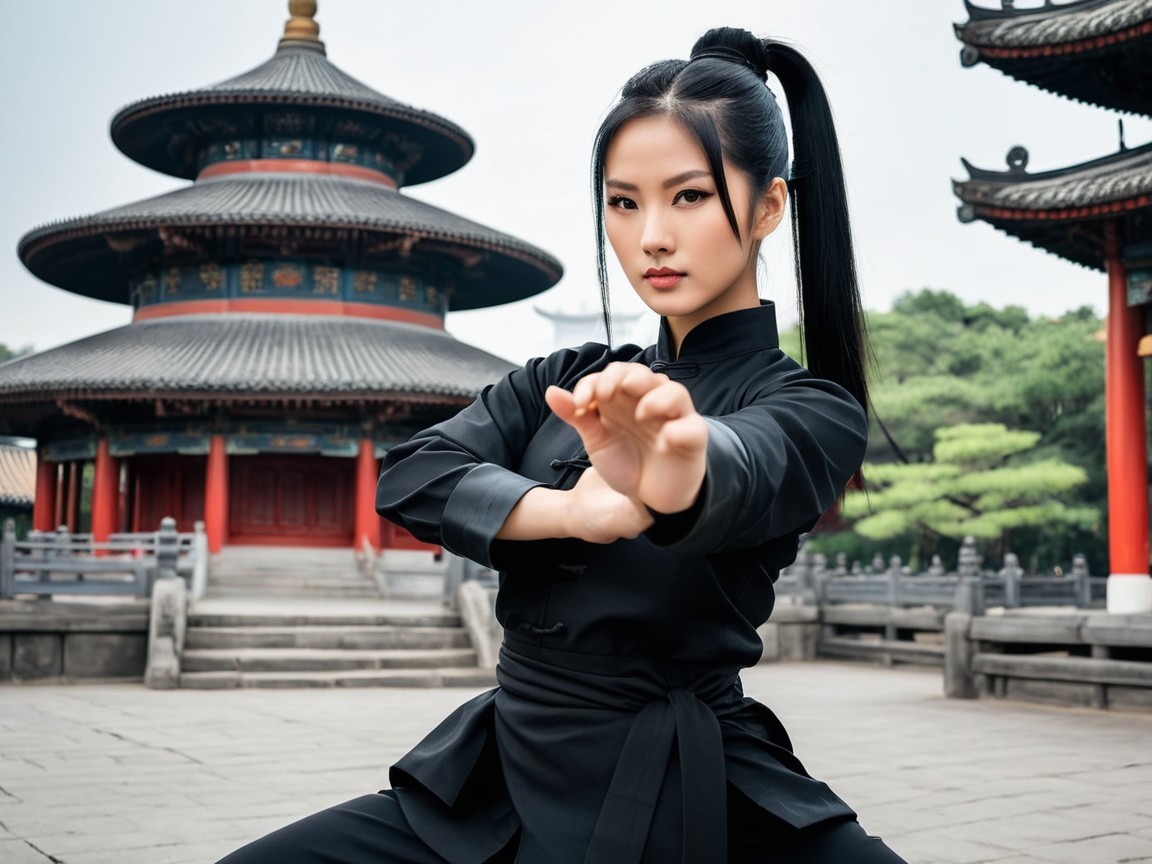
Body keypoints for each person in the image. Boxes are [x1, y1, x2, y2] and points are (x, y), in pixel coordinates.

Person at [218, 26, 908, 864]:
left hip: (691, 776)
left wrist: (677, 467)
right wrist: (568, 512)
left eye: (688, 196)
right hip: (497, 779)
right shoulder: (568, 374)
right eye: (624, 202)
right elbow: (412, 474)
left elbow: (745, 462)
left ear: (768, 206)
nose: (651, 235)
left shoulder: (811, 408)